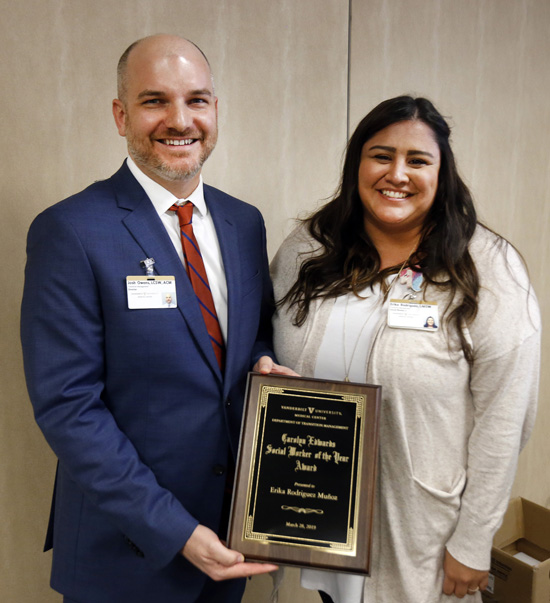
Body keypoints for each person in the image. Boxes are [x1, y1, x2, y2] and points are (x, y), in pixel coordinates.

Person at [20, 34, 291, 603]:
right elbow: (69, 407)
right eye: (154, 101)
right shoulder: (71, 230)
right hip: (125, 554)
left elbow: (250, 336)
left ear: (215, 111)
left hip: (231, 540)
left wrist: (263, 360)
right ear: (121, 115)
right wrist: (177, 533)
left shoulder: (245, 224)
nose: (180, 119)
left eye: (197, 100)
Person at [271, 96, 540, 602]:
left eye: (417, 160)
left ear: (442, 174)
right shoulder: (307, 249)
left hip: (424, 534)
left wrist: (473, 541)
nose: (397, 173)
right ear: (357, 165)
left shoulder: (489, 268)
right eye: (381, 155)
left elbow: (505, 418)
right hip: (320, 519)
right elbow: (277, 356)